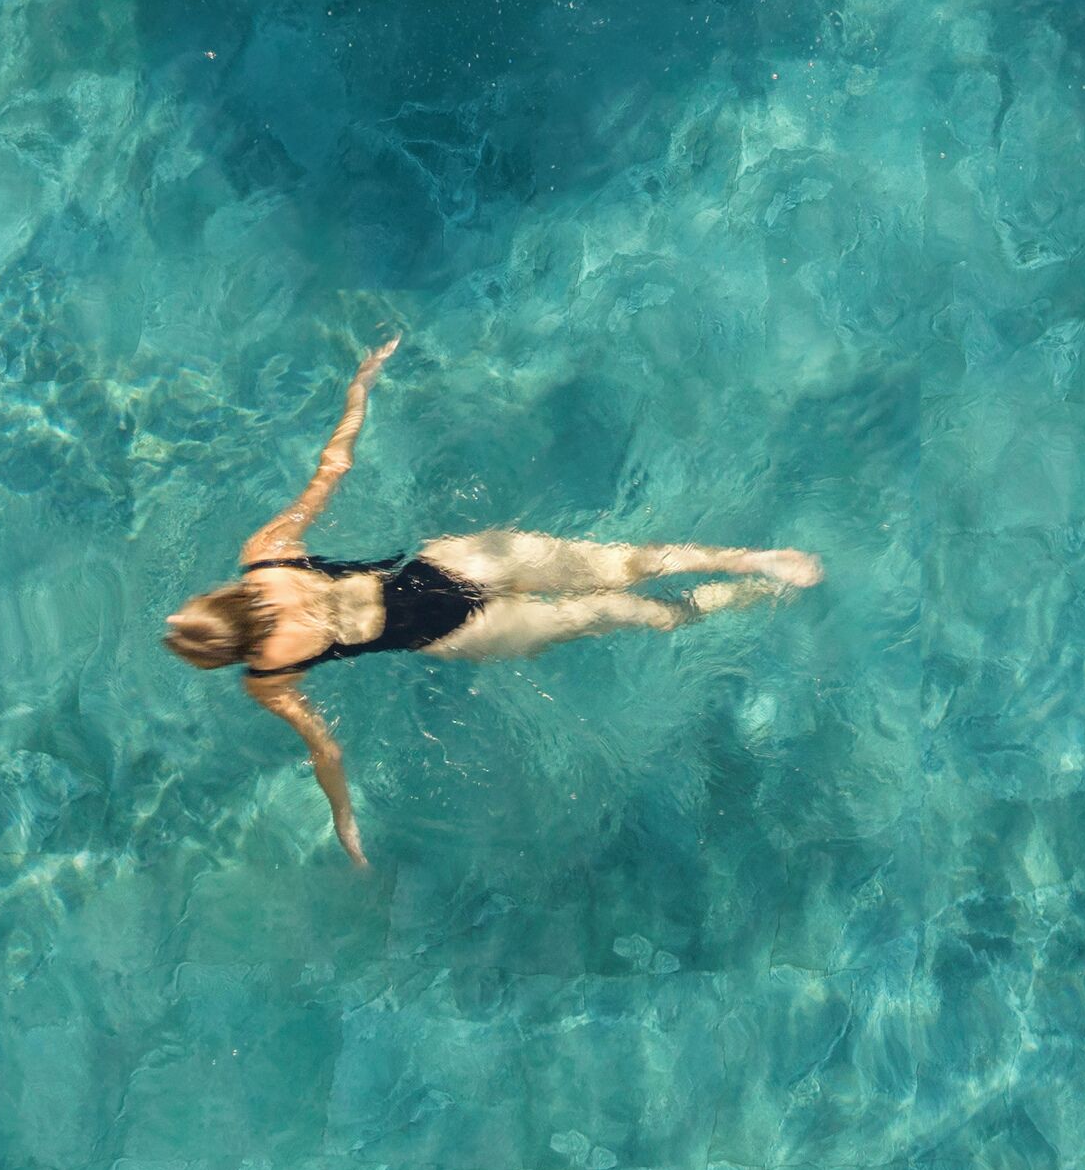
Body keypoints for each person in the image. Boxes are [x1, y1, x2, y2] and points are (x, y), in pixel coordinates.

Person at [162, 337, 821, 868]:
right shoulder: (265, 555)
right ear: (215, 598)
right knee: (625, 562)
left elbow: (325, 751)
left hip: (455, 630)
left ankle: (749, 593)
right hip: (450, 562)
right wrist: (358, 390)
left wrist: (343, 820)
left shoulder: (268, 676)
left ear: (224, 654)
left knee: (632, 613)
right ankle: (755, 559)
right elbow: (331, 471)